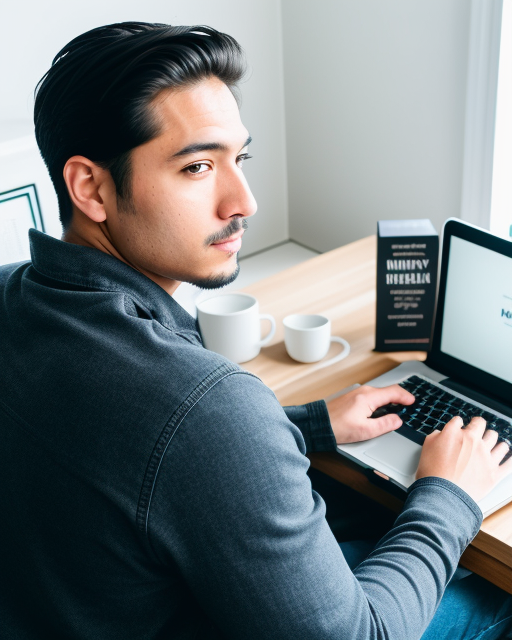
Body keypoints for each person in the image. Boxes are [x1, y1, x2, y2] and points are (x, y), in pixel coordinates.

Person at [0, 22, 511, 640]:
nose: (244, 200)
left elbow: (141, 452)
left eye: (239, 158)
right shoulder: (202, 410)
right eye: (196, 167)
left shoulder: (13, 294)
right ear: (92, 187)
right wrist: (449, 495)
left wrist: (303, 421)